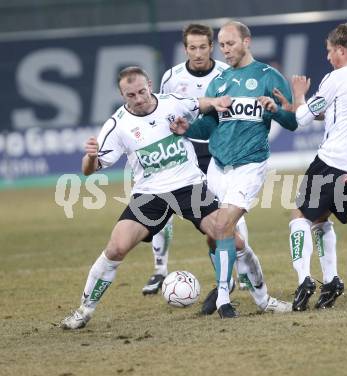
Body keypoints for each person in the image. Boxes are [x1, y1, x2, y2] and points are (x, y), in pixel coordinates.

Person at [60, 66, 238, 329]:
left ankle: (229, 286)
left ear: (150, 85)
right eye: (131, 94)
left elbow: (200, 103)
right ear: (122, 95)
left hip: (189, 186)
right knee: (116, 247)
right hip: (150, 194)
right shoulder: (117, 125)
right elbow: (89, 170)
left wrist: (215, 102)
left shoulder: (172, 103)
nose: (139, 98)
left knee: (225, 234)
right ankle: (84, 310)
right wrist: (90, 156)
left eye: (142, 91)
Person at [171, 21, 299, 318]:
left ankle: (223, 298)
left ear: (247, 41)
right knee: (218, 236)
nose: (225, 50)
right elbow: (209, 126)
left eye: (230, 43)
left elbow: (292, 122)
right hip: (217, 168)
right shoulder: (220, 82)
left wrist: (276, 110)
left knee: (222, 226)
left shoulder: (269, 77)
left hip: (250, 165)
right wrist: (187, 128)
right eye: (223, 45)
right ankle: (264, 299)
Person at [285, 23, 347, 311]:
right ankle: (332, 281)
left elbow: (302, 120)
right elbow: (333, 114)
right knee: (320, 220)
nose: (328, 57)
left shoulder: (336, 77)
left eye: (329, 51)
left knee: (299, 215)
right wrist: (297, 106)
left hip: (334, 161)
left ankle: (304, 279)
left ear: (341, 50)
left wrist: (298, 94)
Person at [142, 23, 230, 295]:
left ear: (211, 46)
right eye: (192, 47)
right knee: (162, 208)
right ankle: (159, 269)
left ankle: (228, 279)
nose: (198, 53)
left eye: (203, 47)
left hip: (217, 150)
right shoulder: (171, 76)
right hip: (182, 152)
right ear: (185, 48)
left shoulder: (227, 74)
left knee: (223, 217)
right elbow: (161, 111)